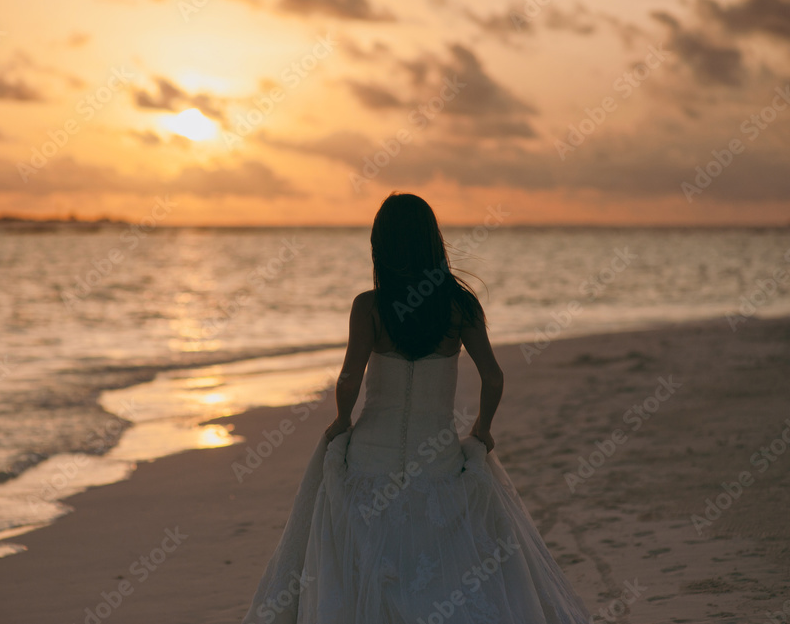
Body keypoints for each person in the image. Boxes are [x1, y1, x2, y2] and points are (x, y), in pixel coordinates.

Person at [242, 193, 592, 624]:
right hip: (438, 459)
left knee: (362, 546)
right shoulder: (461, 306)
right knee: (447, 564)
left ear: (381, 247)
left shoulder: (369, 306)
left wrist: (342, 420)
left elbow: (349, 378)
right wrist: (482, 430)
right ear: (433, 242)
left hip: (373, 458)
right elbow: (494, 377)